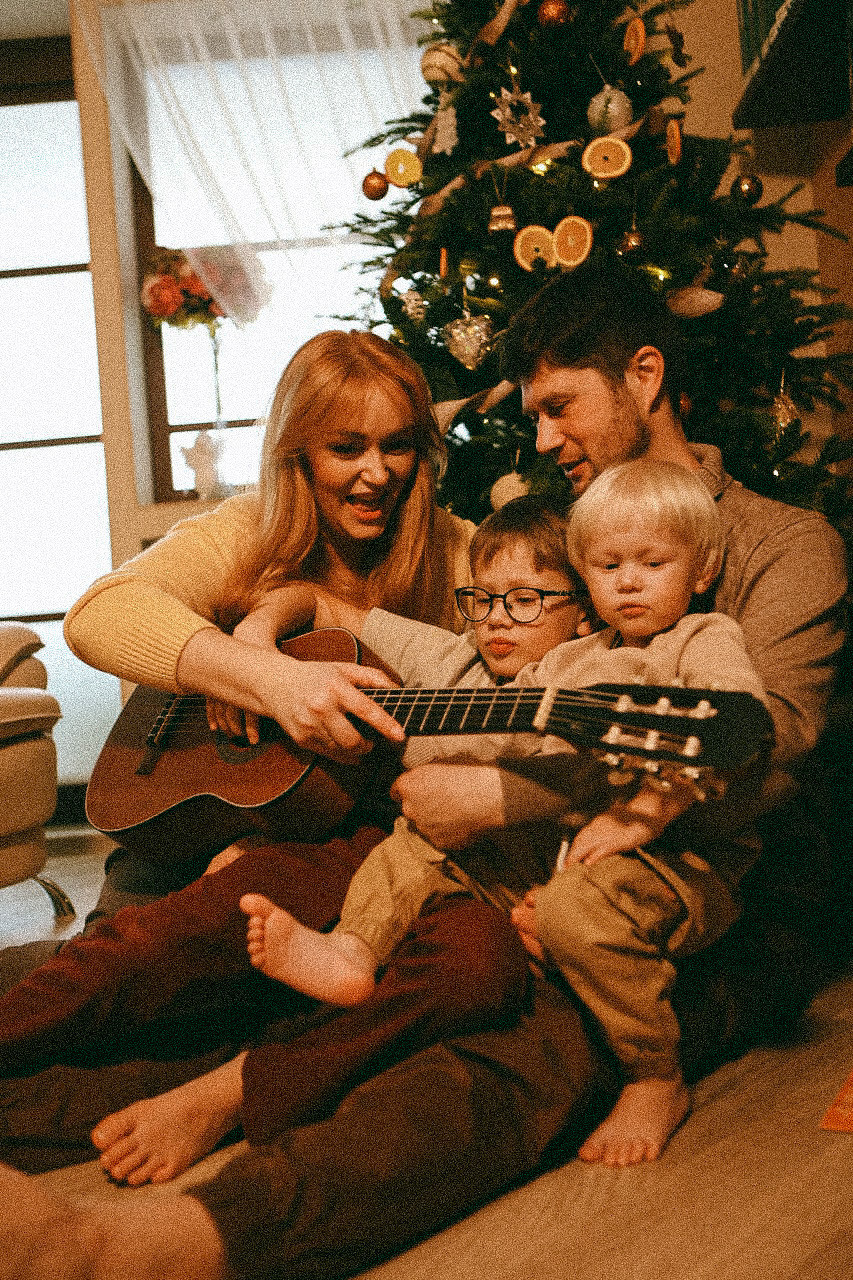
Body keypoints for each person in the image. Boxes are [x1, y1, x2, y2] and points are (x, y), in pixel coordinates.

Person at [0, 260, 846, 1280]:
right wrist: (266, 646)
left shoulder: (775, 547)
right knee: (247, 920)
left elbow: (765, 746)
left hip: (624, 882)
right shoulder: (556, 527)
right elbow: (441, 648)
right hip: (448, 842)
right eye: (344, 447)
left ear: (645, 375)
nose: (538, 442)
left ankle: (155, 1240)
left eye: (556, 408)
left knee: (492, 1037)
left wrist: (508, 803)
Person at [0, 328, 530, 1178]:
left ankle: (222, 1090)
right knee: (131, 979)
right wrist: (256, 676)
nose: (375, 473)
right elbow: (99, 614)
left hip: (358, 871)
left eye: (398, 446)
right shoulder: (245, 530)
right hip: (190, 848)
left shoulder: (464, 555)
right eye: (344, 448)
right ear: (294, 454)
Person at [244, 460, 769, 1166]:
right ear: (586, 578)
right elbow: (504, 729)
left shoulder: (700, 640)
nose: (629, 581)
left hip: (674, 864)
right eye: (609, 565)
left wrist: (646, 811)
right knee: (413, 844)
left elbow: (739, 729)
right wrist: (421, 750)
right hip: (557, 855)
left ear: (699, 569)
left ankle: (654, 1075)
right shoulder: (573, 658)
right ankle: (352, 949)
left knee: (574, 912)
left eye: (652, 562)